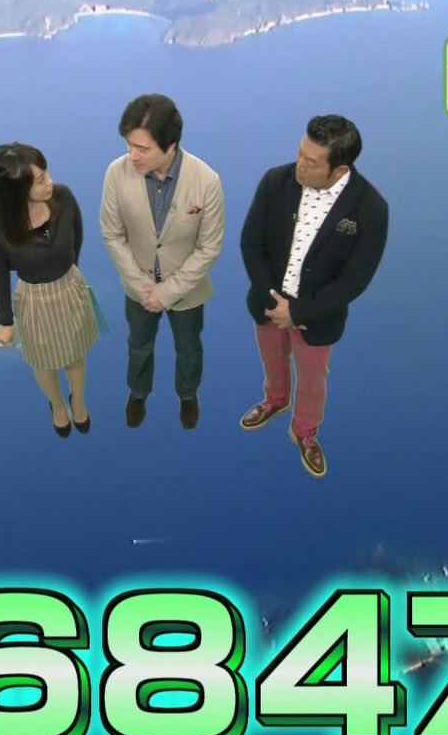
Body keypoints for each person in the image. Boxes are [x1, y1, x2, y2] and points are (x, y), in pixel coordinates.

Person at [238, 115, 388, 477]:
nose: (299, 166)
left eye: (311, 162)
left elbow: (354, 280)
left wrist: (299, 312)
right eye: (299, 153)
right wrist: (273, 301)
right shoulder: (275, 181)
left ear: (340, 170)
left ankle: (305, 431)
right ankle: (275, 400)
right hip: (268, 305)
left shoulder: (371, 209)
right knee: (272, 361)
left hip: (317, 319)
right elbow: (251, 243)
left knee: (312, 379)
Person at [100, 93, 225, 429]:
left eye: (142, 149)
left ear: (171, 146)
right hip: (138, 288)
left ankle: (188, 395)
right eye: (129, 145)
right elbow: (112, 234)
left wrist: (166, 293)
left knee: (189, 349)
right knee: (138, 345)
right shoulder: (116, 174)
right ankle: (138, 392)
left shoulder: (206, 181)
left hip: (187, 291)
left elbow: (209, 248)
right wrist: (142, 285)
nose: (132, 155)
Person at [0, 143, 101, 438]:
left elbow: (77, 236)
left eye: (46, 174)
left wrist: (71, 272)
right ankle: (57, 404)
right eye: (40, 180)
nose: (50, 182)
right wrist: (6, 321)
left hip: (70, 286)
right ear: (17, 191)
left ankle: (78, 400)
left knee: (76, 354)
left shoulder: (64, 198)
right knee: (44, 361)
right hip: (34, 299)